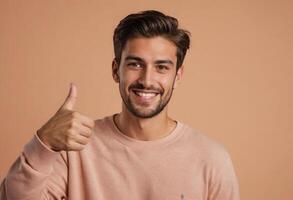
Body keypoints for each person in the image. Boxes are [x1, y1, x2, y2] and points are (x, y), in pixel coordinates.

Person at [0, 10, 240, 200]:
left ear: (177, 76)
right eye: (135, 64)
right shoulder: (75, 148)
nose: (147, 80)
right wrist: (43, 143)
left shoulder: (212, 159)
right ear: (116, 70)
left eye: (162, 67)